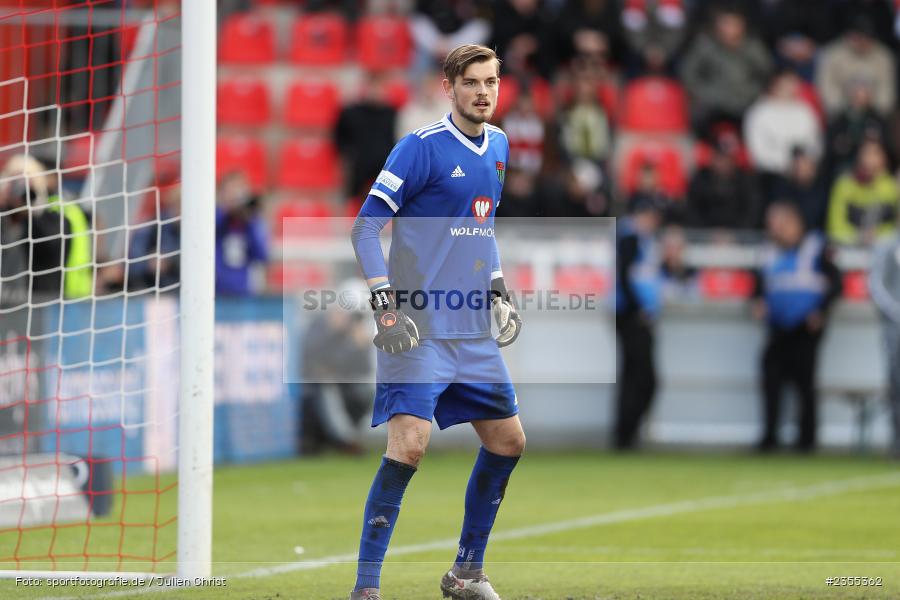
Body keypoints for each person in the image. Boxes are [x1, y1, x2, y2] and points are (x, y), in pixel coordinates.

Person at [347, 45, 524, 600]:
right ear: (449, 86)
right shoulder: (419, 149)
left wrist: (496, 290)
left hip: (470, 326)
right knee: (410, 445)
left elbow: (482, 226)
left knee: (509, 441)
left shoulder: (498, 145)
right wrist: (385, 306)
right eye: (472, 82)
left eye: (491, 82)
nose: (483, 92)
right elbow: (364, 229)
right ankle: (366, 589)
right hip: (417, 326)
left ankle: (466, 574)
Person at [751, 201, 842, 453]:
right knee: (771, 381)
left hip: (805, 327)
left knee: (805, 384)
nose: (775, 230)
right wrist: (757, 301)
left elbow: (836, 283)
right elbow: (758, 284)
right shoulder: (767, 251)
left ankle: (807, 440)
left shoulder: (816, 247)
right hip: (778, 327)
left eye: (780, 224)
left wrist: (821, 311)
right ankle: (769, 438)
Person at [614, 196, 663, 449]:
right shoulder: (631, 238)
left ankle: (625, 434)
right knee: (643, 379)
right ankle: (625, 434)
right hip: (633, 317)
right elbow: (624, 276)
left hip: (632, 315)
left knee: (633, 377)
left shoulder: (637, 239)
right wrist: (640, 307)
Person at [678, 4, 772, 134]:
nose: (730, 29)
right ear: (717, 25)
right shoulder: (705, 44)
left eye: (734, 24)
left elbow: (766, 72)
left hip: (745, 101)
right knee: (698, 114)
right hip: (712, 101)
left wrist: (751, 92)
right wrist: (706, 94)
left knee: (763, 115)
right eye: (726, 24)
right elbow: (688, 73)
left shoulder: (752, 46)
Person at [826, 138, 899, 246]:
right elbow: (835, 227)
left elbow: (895, 225)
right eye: (865, 153)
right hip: (850, 250)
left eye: (875, 153)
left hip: (884, 249)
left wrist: (877, 235)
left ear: (884, 158)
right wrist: (858, 236)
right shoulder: (844, 185)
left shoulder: (892, 187)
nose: (868, 159)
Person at [868, 232, 900, 458]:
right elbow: (877, 285)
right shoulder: (887, 246)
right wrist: (897, 312)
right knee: (897, 385)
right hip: (895, 329)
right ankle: (898, 440)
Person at [214, 172, 268, 296]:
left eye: (239, 192)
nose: (235, 198)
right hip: (216, 290)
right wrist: (227, 212)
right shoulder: (215, 217)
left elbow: (262, 255)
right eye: (230, 192)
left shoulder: (250, 222)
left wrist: (251, 222)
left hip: (244, 291)